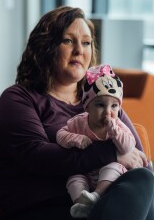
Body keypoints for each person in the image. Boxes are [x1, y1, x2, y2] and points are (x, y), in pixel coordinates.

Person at [0, 6, 154, 220]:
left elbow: (139, 160)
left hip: (95, 206)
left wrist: (121, 158)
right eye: (68, 41)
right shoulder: (18, 98)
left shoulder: (100, 100)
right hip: (36, 207)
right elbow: (39, 157)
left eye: (86, 43)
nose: (79, 51)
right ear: (46, 47)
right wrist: (112, 153)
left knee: (142, 180)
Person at [56, 64, 137, 218]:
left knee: (113, 167)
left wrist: (115, 131)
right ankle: (81, 204)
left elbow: (128, 147)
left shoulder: (118, 125)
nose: (108, 112)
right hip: (86, 172)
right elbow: (60, 134)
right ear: (87, 107)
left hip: (108, 178)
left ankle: (97, 196)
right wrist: (76, 139)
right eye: (100, 105)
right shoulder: (78, 122)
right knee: (74, 178)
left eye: (114, 106)